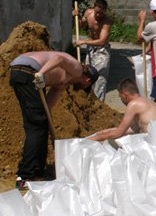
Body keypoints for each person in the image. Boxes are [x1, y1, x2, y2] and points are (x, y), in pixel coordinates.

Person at [9, 51, 99, 189]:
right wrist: (41, 74)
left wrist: (47, 122)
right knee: (37, 126)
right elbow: (59, 58)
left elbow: (46, 108)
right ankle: (26, 176)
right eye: (86, 87)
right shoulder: (77, 69)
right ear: (87, 81)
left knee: (39, 123)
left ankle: (36, 172)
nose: (83, 89)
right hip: (29, 71)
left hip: (22, 73)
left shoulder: (63, 83)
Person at [88, 78, 156, 142]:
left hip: (155, 144)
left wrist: (92, 140)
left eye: (120, 97)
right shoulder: (149, 102)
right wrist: (101, 133)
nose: (121, 100)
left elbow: (118, 133)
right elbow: (132, 129)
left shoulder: (134, 104)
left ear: (125, 95)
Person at [74, 0, 113, 101]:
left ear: (105, 11)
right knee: (87, 74)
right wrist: (76, 17)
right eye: (96, 12)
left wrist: (83, 41)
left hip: (102, 51)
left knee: (100, 78)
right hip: (91, 49)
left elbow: (102, 41)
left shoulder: (107, 22)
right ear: (93, 8)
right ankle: (86, 100)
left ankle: (99, 103)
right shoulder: (88, 13)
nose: (97, 15)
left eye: (100, 13)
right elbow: (81, 26)